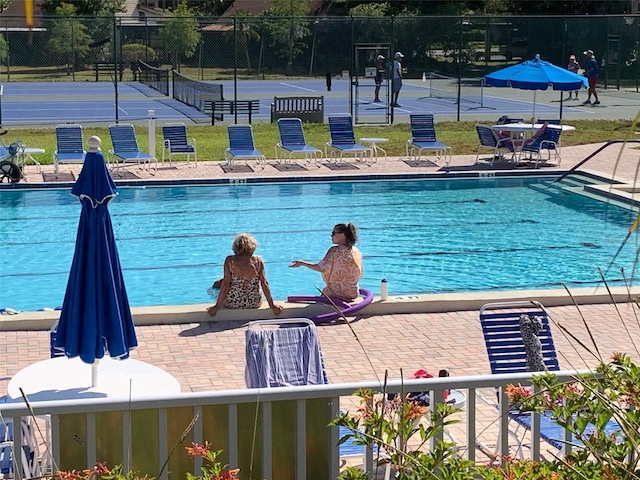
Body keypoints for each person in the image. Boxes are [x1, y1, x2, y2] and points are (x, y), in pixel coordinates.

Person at [207, 233, 283, 317]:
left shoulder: (230, 260)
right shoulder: (258, 260)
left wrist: (217, 306)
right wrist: (272, 305)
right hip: (254, 303)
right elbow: (264, 283)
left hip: (233, 303)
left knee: (213, 291)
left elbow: (225, 284)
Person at [289, 223, 363, 302]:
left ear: (342, 235)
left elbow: (321, 268)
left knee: (324, 293)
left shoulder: (334, 251)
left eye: (333, 233)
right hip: (353, 292)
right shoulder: (356, 251)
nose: (331, 236)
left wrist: (302, 263)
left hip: (337, 293)